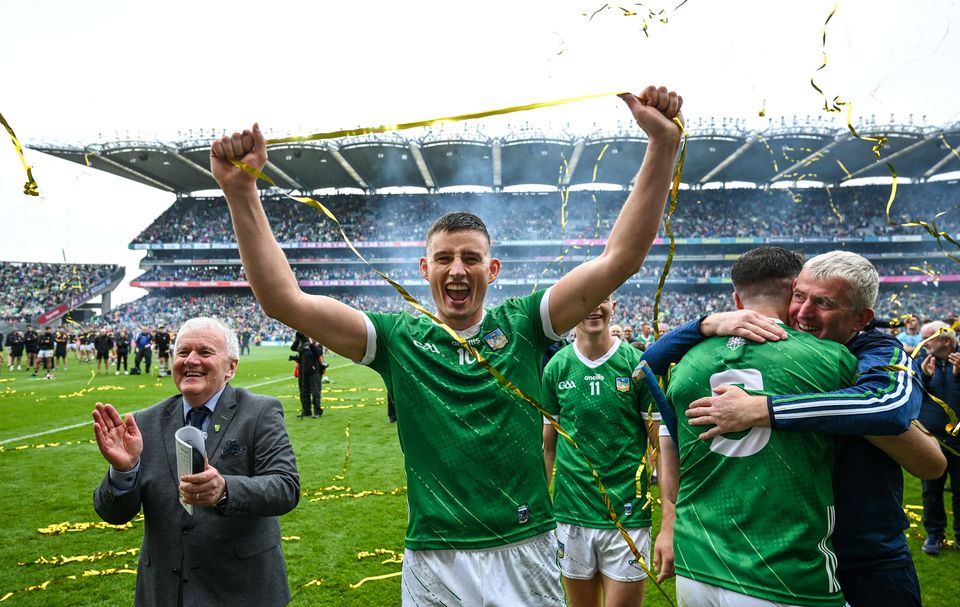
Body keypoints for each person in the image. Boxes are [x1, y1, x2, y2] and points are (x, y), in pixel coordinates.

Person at [210, 84, 683, 605]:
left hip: (524, 547)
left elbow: (621, 258)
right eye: (444, 259)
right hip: (436, 555)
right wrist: (241, 191)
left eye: (471, 258)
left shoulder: (525, 323)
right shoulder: (397, 339)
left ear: (492, 269)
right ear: (425, 270)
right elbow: (284, 300)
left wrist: (662, 146)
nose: (458, 270)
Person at [644, 250, 944, 607]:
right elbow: (644, 369)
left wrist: (762, 408)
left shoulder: (873, 352)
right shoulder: (787, 350)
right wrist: (704, 324)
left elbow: (910, 437)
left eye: (825, 303)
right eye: (799, 296)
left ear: (861, 319)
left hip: (868, 554)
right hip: (788, 555)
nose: (803, 312)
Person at [660, 247, 860, 606]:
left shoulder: (685, 362)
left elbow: (668, 443)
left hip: (697, 560)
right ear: (796, 294)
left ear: (736, 299)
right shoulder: (832, 358)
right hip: (780, 567)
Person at [92, 316, 299, 606]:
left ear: (231, 367)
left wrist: (225, 489)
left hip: (242, 589)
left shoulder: (260, 412)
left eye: (205, 352)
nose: (191, 360)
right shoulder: (143, 423)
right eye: (182, 352)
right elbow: (112, 514)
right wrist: (123, 470)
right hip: (165, 591)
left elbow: (285, 487)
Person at [541, 296, 660, 607]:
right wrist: (540, 505)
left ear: (615, 306)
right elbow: (547, 446)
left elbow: (661, 444)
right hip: (571, 514)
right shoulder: (556, 368)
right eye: (585, 299)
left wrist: (671, 520)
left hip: (628, 516)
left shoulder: (637, 365)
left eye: (602, 299)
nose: (593, 307)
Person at [918, 320, 960, 555]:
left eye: (928, 338)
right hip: (932, 439)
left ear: (945, 340)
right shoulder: (920, 362)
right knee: (931, 491)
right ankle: (935, 535)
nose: (924, 343)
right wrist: (923, 376)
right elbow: (911, 394)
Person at [291, 331, 324, 418]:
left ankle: (317, 411)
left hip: (314, 371)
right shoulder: (301, 343)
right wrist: (297, 339)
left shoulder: (317, 343)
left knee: (315, 392)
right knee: (304, 392)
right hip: (303, 370)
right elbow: (293, 348)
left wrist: (310, 342)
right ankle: (306, 411)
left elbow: (318, 353)